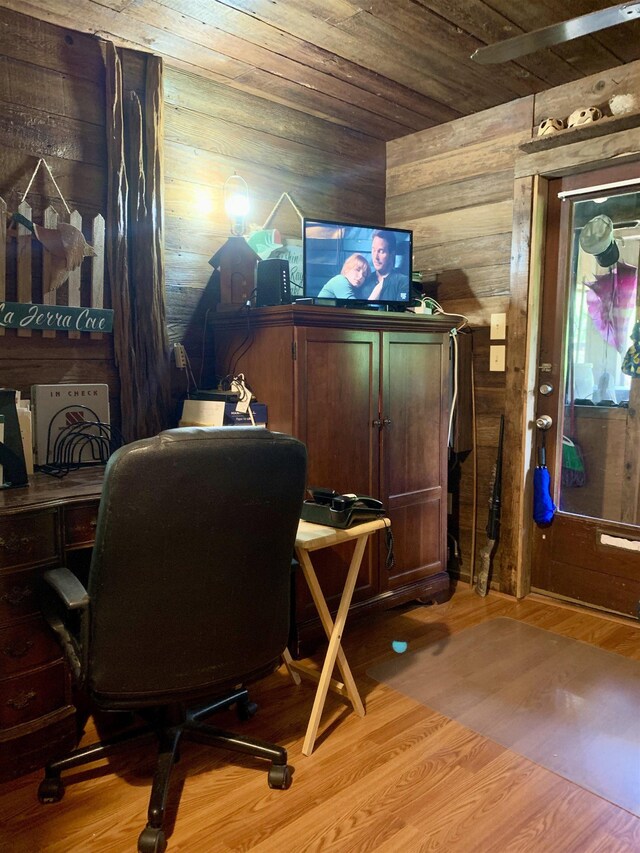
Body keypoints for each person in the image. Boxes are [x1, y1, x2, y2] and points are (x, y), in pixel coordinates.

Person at [363, 230, 410, 302]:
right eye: (374, 250)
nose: (375, 257)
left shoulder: (403, 282)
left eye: (381, 251)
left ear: (391, 254)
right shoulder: (364, 281)